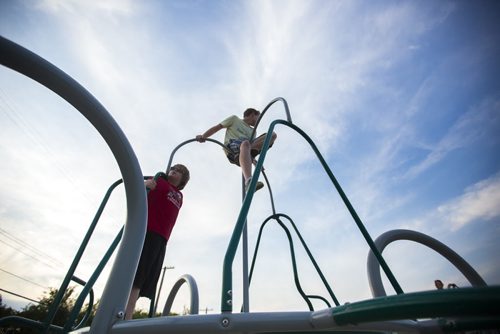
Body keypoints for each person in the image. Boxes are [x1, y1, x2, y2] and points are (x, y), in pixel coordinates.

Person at [125, 164, 190, 320]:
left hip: (161, 239)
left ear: (183, 180)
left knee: (145, 279)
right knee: (136, 276)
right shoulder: (158, 180)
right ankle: (125, 315)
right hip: (146, 231)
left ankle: (129, 310)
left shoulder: (179, 196)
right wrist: (145, 184)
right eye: (173, 169)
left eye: (179, 171)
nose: (174, 171)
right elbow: (134, 185)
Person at [196, 108, 277, 191]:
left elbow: (248, 148)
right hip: (232, 148)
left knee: (272, 135)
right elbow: (217, 127)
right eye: (258, 118)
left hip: (245, 148)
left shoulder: (253, 131)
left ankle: (248, 158)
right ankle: (249, 181)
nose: (259, 121)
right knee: (245, 143)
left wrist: (254, 161)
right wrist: (204, 136)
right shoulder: (234, 119)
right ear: (253, 115)